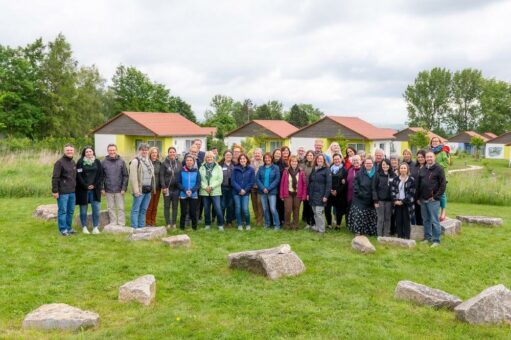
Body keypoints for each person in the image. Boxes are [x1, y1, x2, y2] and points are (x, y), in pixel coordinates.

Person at [417, 151, 446, 247]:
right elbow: (418, 185)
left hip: (433, 200)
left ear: (434, 158)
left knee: (434, 220)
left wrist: (436, 196)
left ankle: (436, 240)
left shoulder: (439, 169)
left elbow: (443, 185)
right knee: (426, 220)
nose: (429, 158)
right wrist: (418, 197)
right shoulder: (423, 169)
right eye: (427, 157)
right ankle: (427, 238)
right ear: (425, 158)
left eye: (431, 157)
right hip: (423, 199)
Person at [76, 146, 103, 234]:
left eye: (90, 151)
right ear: (84, 153)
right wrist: (86, 185)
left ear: (93, 152)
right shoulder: (80, 162)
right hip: (83, 190)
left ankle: (95, 227)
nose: (88, 153)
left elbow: (100, 175)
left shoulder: (97, 162)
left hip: (95, 190)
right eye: (87, 152)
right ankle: (84, 227)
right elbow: (78, 176)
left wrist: (94, 185)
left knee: (96, 209)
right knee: (83, 210)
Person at [52, 144, 77, 236]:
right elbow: (55, 177)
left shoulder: (73, 162)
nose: (69, 151)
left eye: (71, 150)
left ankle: (69, 228)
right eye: (67, 150)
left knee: (70, 211)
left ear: (73, 151)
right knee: (63, 211)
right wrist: (55, 191)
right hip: (63, 192)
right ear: (64, 151)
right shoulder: (59, 163)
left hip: (72, 192)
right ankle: (63, 230)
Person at [347, 158, 377, 236]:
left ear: (372, 164)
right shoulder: (360, 173)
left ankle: (368, 231)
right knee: (359, 215)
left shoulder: (376, 173)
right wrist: (361, 194)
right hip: (360, 198)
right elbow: (355, 184)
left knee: (370, 215)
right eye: (367, 163)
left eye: (370, 163)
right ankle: (358, 231)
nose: (368, 165)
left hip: (371, 198)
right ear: (364, 164)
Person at [101, 144, 128, 227]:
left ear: (116, 150)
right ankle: (113, 223)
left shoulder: (121, 161)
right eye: (110, 150)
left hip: (119, 189)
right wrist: (102, 188)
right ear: (108, 151)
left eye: (113, 150)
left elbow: (125, 176)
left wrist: (124, 188)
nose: (112, 152)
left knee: (121, 208)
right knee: (110, 208)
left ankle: (121, 223)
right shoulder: (103, 162)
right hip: (108, 189)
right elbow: (101, 176)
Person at [129, 144, 155, 229]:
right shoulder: (135, 161)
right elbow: (133, 177)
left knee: (143, 210)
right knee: (136, 210)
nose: (144, 151)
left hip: (148, 190)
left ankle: (141, 227)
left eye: (146, 150)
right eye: (142, 150)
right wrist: (136, 190)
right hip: (139, 190)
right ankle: (134, 228)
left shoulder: (149, 161)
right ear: (139, 151)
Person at [280, 155, 307, 230]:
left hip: (298, 194)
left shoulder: (301, 172)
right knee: (288, 210)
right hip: (288, 193)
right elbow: (282, 183)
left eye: (295, 161)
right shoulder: (286, 171)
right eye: (292, 161)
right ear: (290, 162)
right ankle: (287, 225)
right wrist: (281, 195)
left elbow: (304, 184)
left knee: (296, 210)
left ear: (297, 162)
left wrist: (304, 195)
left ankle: (295, 225)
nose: (294, 163)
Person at [199, 151, 224, 231]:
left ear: (214, 158)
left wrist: (211, 187)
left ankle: (220, 224)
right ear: (205, 158)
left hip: (215, 191)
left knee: (217, 208)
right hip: (205, 191)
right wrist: (205, 187)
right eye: (208, 157)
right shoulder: (202, 167)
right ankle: (207, 224)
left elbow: (220, 179)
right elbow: (200, 179)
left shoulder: (218, 167)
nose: (209, 159)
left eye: (211, 157)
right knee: (206, 209)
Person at [307, 154, 331, 234]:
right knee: (314, 212)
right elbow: (310, 182)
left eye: (321, 159)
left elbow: (329, 184)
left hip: (321, 195)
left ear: (324, 160)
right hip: (313, 194)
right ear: (316, 160)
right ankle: (317, 227)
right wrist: (308, 194)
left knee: (319, 212)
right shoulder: (314, 169)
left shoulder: (327, 170)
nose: (319, 160)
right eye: (318, 159)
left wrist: (326, 196)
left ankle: (322, 230)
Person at [256, 152, 281, 229]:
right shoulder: (261, 168)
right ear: (264, 159)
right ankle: (267, 223)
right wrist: (263, 188)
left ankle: (277, 224)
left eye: (268, 158)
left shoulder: (276, 168)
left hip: (272, 191)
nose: (267, 159)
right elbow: (257, 179)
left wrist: (268, 188)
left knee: (272, 208)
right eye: (265, 158)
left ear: (271, 158)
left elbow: (277, 179)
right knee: (265, 208)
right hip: (262, 191)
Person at [391, 163, 416, 239]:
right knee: (398, 220)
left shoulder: (411, 179)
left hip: (407, 203)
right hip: (397, 203)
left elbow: (411, 193)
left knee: (406, 221)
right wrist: (395, 200)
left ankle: (407, 236)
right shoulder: (395, 179)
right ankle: (400, 236)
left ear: (407, 169)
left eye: (404, 168)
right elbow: (392, 191)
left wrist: (403, 201)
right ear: (399, 169)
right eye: (401, 168)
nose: (403, 169)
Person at [231, 153, 255, 231]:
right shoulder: (235, 169)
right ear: (239, 160)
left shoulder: (251, 169)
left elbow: (251, 182)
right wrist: (239, 189)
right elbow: (233, 181)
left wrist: (245, 190)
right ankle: (239, 224)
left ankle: (248, 224)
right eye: (241, 159)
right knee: (238, 209)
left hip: (246, 192)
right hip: (236, 192)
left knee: (245, 209)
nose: (242, 160)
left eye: (244, 159)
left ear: (247, 160)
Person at [372, 158, 395, 237]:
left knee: (388, 218)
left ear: (389, 165)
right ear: (381, 166)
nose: (385, 166)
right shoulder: (377, 174)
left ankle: (386, 235)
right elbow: (374, 188)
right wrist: (375, 201)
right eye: (383, 165)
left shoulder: (393, 175)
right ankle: (379, 235)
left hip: (389, 201)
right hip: (380, 201)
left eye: (387, 164)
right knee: (380, 219)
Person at [325, 153, 348, 230]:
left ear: (341, 159)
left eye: (338, 159)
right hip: (330, 192)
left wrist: (337, 191)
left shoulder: (344, 170)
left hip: (340, 193)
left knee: (339, 210)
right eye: (335, 159)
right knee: (327, 208)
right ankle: (329, 224)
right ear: (333, 160)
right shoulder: (329, 169)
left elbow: (345, 183)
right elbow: (327, 181)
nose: (337, 160)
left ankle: (338, 225)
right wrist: (330, 190)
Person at [178, 155, 201, 230]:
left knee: (193, 211)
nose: (189, 162)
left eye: (191, 160)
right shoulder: (181, 171)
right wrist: (185, 190)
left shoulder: (196, 171)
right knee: (183, 211)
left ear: (193, 162)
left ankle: (194, 227)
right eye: (187, 160)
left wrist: (191, 191)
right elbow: (178, 183)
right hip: (183, 193)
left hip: (193, 194)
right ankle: (182, 227)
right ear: (185, 161)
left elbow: (198, 183)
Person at [160, 147, 181, 229]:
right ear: (168, 153)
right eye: (170, 152)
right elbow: (161, 176)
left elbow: (181, 175)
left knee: (175, 206)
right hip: (167, 189)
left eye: (173, 152)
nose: (172, 153)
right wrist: (163, 186)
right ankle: (168, 223)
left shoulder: (179, 163)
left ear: (175, 153)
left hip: (176, 189)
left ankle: (174, 223)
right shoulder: (164, 163)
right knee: (167, 206)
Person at [430, 136, 450, 221]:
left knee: (442, 193)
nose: (434, 142)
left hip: (441, 175)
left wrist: (435, 164)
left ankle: (443, 212)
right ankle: (436, 212)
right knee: (434, 193)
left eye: (436, 141)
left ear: (439, 142)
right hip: (432, 176)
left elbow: (446, 163)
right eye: (433, 141)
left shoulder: (443, 151)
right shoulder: (430, 151)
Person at [145, 147, 162, 227]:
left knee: (155, 206)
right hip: (149, 188)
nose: (154, 154)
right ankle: (148, 222)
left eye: (156, 152)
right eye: (153, 153)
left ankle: (153, 221)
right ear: (150, 154)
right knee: (149, 206)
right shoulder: (147, 163)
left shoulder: (159, 163)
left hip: (157, 188)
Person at [219, 150, 235, 227]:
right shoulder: (220, 165)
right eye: (227, 155)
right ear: (224, 156)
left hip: (232, 188)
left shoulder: (235, 165)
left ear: (232, 156)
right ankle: (221, 221)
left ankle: (229, 221)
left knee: (230, 205)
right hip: (222, 187)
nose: (228, 156)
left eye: (230, 155)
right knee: (222, 205)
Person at [411, 150, 426, 226]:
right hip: (414, 195)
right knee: (416, 213)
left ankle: (425, 231)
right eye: (419, 157)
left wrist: (419, 198)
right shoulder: (415, 167)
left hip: (423, 196)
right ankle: (418, 230)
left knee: (423, 215)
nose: (420, 158)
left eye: (422, 157)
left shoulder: (427, 167)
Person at [301, 150, 316, 229]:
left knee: (312, 207)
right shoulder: (303, 166)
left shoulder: (315, 166)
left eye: (311, 155)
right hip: (305, 188)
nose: (309, 157)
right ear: (306, 157)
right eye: (308, 155)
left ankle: (313, 223)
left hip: (313, 189)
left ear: (313, 156)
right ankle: (307, 222)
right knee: (306, 206)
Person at [250, 148, 264, 226]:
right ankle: (256, 218)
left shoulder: (264, 162)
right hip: (252, 186)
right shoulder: (250, 162)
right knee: (254, 203)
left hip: (260, 186)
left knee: (259, 203)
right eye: (256, 153)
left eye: (258, 153)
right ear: (254, 154)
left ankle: (260, 220)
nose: (257, 155)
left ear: (261, 154)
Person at [273, 148, 285, 225]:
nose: (277, 155)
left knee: (281, 204)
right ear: (273, 154)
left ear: (281, 155)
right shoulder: (270, 162)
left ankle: (282, 219)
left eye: (279, 154)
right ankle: (274, 220)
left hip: (281, 187)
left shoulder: (284, 164)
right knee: (274, 204)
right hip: (272, 187)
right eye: (276, 153)